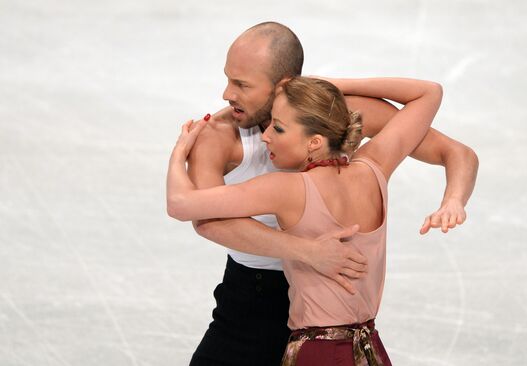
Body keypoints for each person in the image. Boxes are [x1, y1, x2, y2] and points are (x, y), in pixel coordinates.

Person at [172, 22, 478, 366]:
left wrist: (454, 200)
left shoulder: (334, 115)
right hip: (253, 302)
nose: (227, 94)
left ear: (283, 84)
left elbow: (456, 153)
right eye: (228, 78)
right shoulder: (218, 134)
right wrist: (307, 251)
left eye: (242, 84)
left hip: (327, 303)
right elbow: (209, 222)